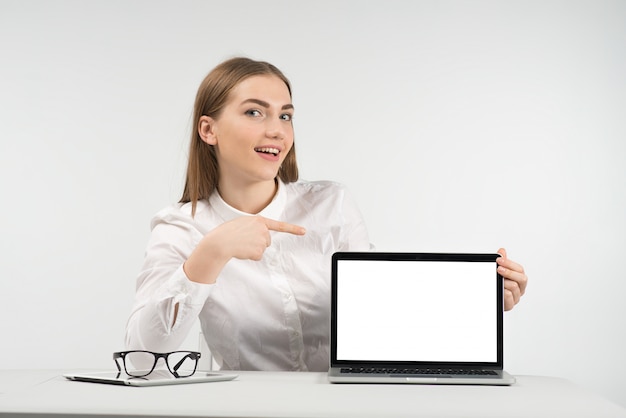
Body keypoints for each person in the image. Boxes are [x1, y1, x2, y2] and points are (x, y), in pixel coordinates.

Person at [125, 57, 528, 372]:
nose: (277, 130)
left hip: (345, 404)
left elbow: (381, 315)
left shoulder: (331, 204)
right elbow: (142, 359)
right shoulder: (180, 226)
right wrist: (212, 252)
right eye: (254, 112)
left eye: (285, 115)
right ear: (208, 130)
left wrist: (479, 302)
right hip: (247, 408)